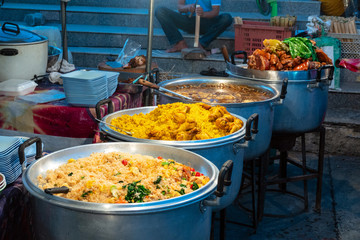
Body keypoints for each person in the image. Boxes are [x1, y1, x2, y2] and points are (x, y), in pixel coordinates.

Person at [155, 0, 232, 53]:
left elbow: (215, 12)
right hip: (189, 21)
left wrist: (203, 14)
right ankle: (180, 43)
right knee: (160, 11)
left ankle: (201, 43)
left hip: (207, 21)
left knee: (227, 18)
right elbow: (180, 7)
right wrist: (188, 7)